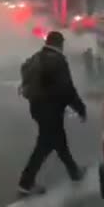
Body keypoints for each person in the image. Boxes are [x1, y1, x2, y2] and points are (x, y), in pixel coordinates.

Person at [18, 31, 87, 196]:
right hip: (51, 110)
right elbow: (67, 89)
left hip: (37, 108)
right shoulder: (57, 60)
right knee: (44, 146)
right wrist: (80, 108)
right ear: (59, 43)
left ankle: (74, 172)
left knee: (58, 142)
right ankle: (25, 183)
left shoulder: (37, 57)